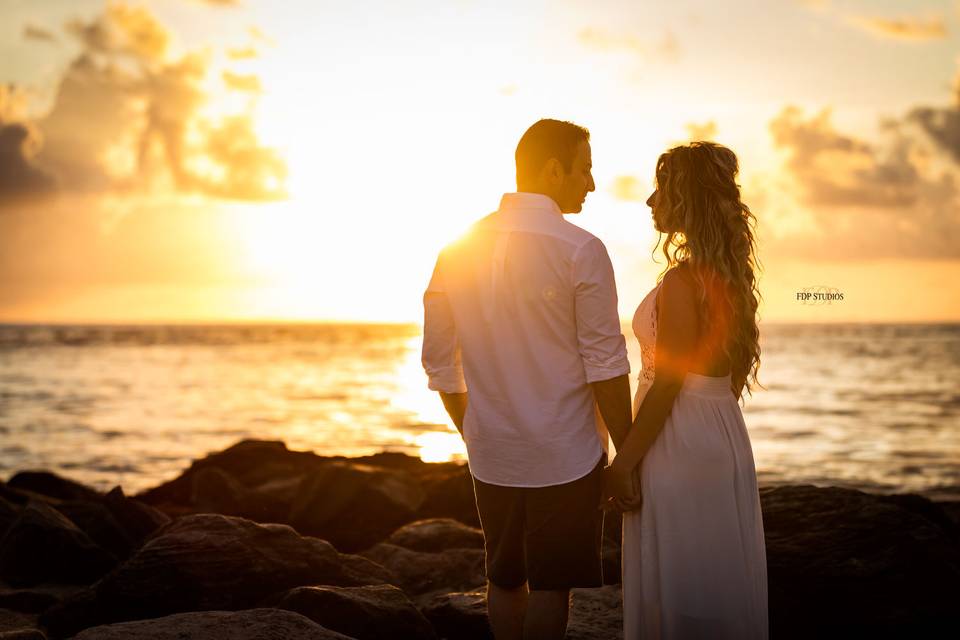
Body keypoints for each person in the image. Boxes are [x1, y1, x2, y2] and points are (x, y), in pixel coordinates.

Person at [421, 118, 634, 640]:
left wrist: (473, 426)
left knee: (505, 576)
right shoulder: (581, 248)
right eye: (584, 168)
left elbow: (439, 361)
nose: (590, 182)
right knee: (549, 586)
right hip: (565, 453)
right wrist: (627, 454)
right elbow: (605, 361)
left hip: (493, 450)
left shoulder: (456, 248)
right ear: (553, 168)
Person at [604, 141, 769, 639]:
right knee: (712, 588)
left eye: (662, 191)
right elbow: (730, 377)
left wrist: (624, 463)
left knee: (679, 593)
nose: (651, 202)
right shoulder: (730, 277)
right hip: (720, 433)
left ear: (687, 199)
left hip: (678, 442)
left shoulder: (681, 282)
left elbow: (670, 380)